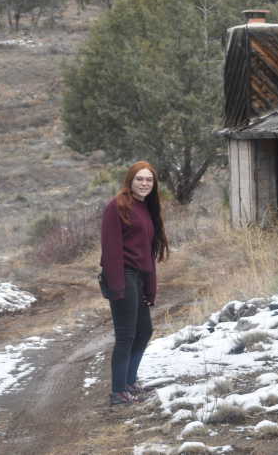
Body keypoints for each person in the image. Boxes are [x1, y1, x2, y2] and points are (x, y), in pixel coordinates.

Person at [100, 161, 169, 407]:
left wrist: (150, 287)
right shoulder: (117, 205)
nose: (144, 183)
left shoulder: (145, 207)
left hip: (138, 278)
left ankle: (129, 384)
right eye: (140, 179)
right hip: (123, 277)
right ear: (130, 180)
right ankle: (118, 394)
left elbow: (148, 251)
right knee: (126, 336)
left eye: (149, 180)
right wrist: (118, 288)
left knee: (144, 332)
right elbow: (110, 250)